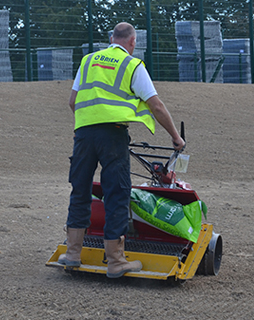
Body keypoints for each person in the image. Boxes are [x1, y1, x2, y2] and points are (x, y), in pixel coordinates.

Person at [58, 22, 185, 278]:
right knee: (117, 192)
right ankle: (116, 260)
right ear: (132, 42)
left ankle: (72, 254)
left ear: (111, 38)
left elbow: (73, 101)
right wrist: (175, 137)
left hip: (83, 133)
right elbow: (156, 105)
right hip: (112, 135)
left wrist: (86, 126)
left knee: (80, 188)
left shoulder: (89, 60)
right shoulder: (132, 65)